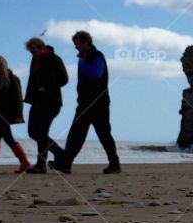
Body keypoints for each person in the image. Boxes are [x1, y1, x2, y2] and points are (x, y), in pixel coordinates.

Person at [50, 31, 121, 175]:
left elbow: (96, 74)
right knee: (77, 133)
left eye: (77, 44)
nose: (76, 48)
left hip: (98, 103)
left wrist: (83, 65)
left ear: (86, 42)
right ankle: (66, 163)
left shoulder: (97, 56)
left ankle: (114, 164)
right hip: (85, 103)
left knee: (103, 134)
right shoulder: (84, 58)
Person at [23, 37, 69, 173]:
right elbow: (33, 81)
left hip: (51, 102)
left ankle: (41, 165)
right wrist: (28, 97)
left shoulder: (54, 59)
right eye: (31, 52)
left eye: (35, 51)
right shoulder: (35, 60)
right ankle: (60, 153)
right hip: (37, 102)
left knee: (41, 133)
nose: (33, 54)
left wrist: (47, 87)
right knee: (33, 132)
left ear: (42, 48)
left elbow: (64, 78)